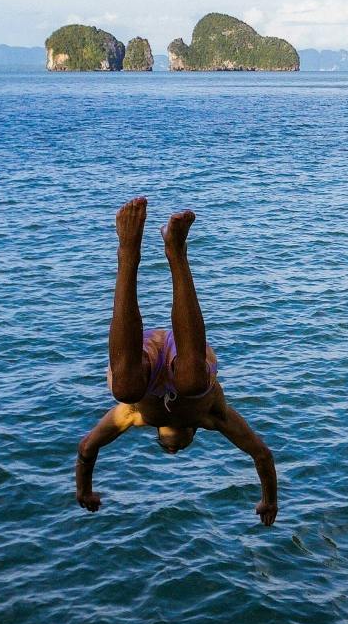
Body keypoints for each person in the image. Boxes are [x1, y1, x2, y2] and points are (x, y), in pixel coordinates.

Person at [74, 197, 279, 525]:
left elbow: (86, 450)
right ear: (193, 434)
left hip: (147, 359)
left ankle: (128, 252)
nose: (173, 450)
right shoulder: (213, 417)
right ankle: (176, 251)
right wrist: (270, 501)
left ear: (158, 435)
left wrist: (83, 490)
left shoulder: (133, 416)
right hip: (187, 354)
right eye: (180, 450)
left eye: (168, 450)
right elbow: (262, 455)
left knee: (125, 389)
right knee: (192, 382)